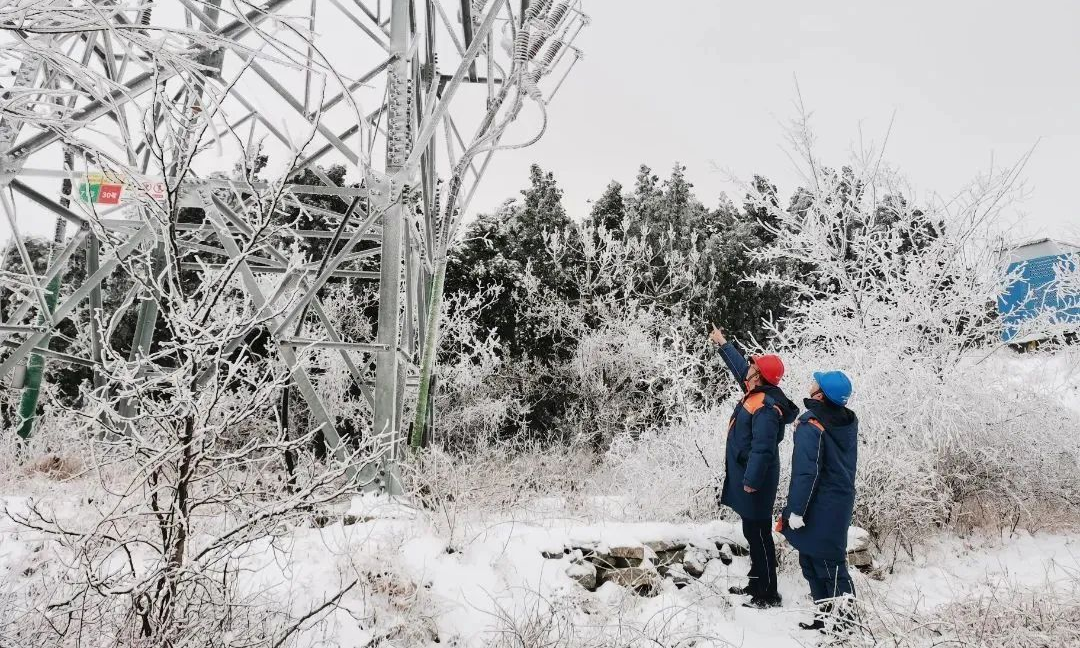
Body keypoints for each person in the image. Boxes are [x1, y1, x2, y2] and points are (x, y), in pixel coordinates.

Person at [709, 324, 798, 609]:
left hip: (756, 480)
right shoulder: (757, 393)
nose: (748, 368)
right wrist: (723, 343)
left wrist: (751, 481)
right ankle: (756, 582)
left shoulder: (767, 408)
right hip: (749, 476)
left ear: (758, 376)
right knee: (752, 532)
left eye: (753, 366)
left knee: (759, 535)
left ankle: (768, 594)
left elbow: (763, 448)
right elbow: (739, 369)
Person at [779, 370, 859, 631]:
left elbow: (807, 472)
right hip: (838, 501)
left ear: (820, 395)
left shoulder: (812, 425)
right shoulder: (845, 420)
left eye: (817, 382)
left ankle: (845, 626)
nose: (811, 382)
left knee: (826, 564)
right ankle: (826, 618)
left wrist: (796, 511)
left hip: (817, 504)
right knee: (815, 559)